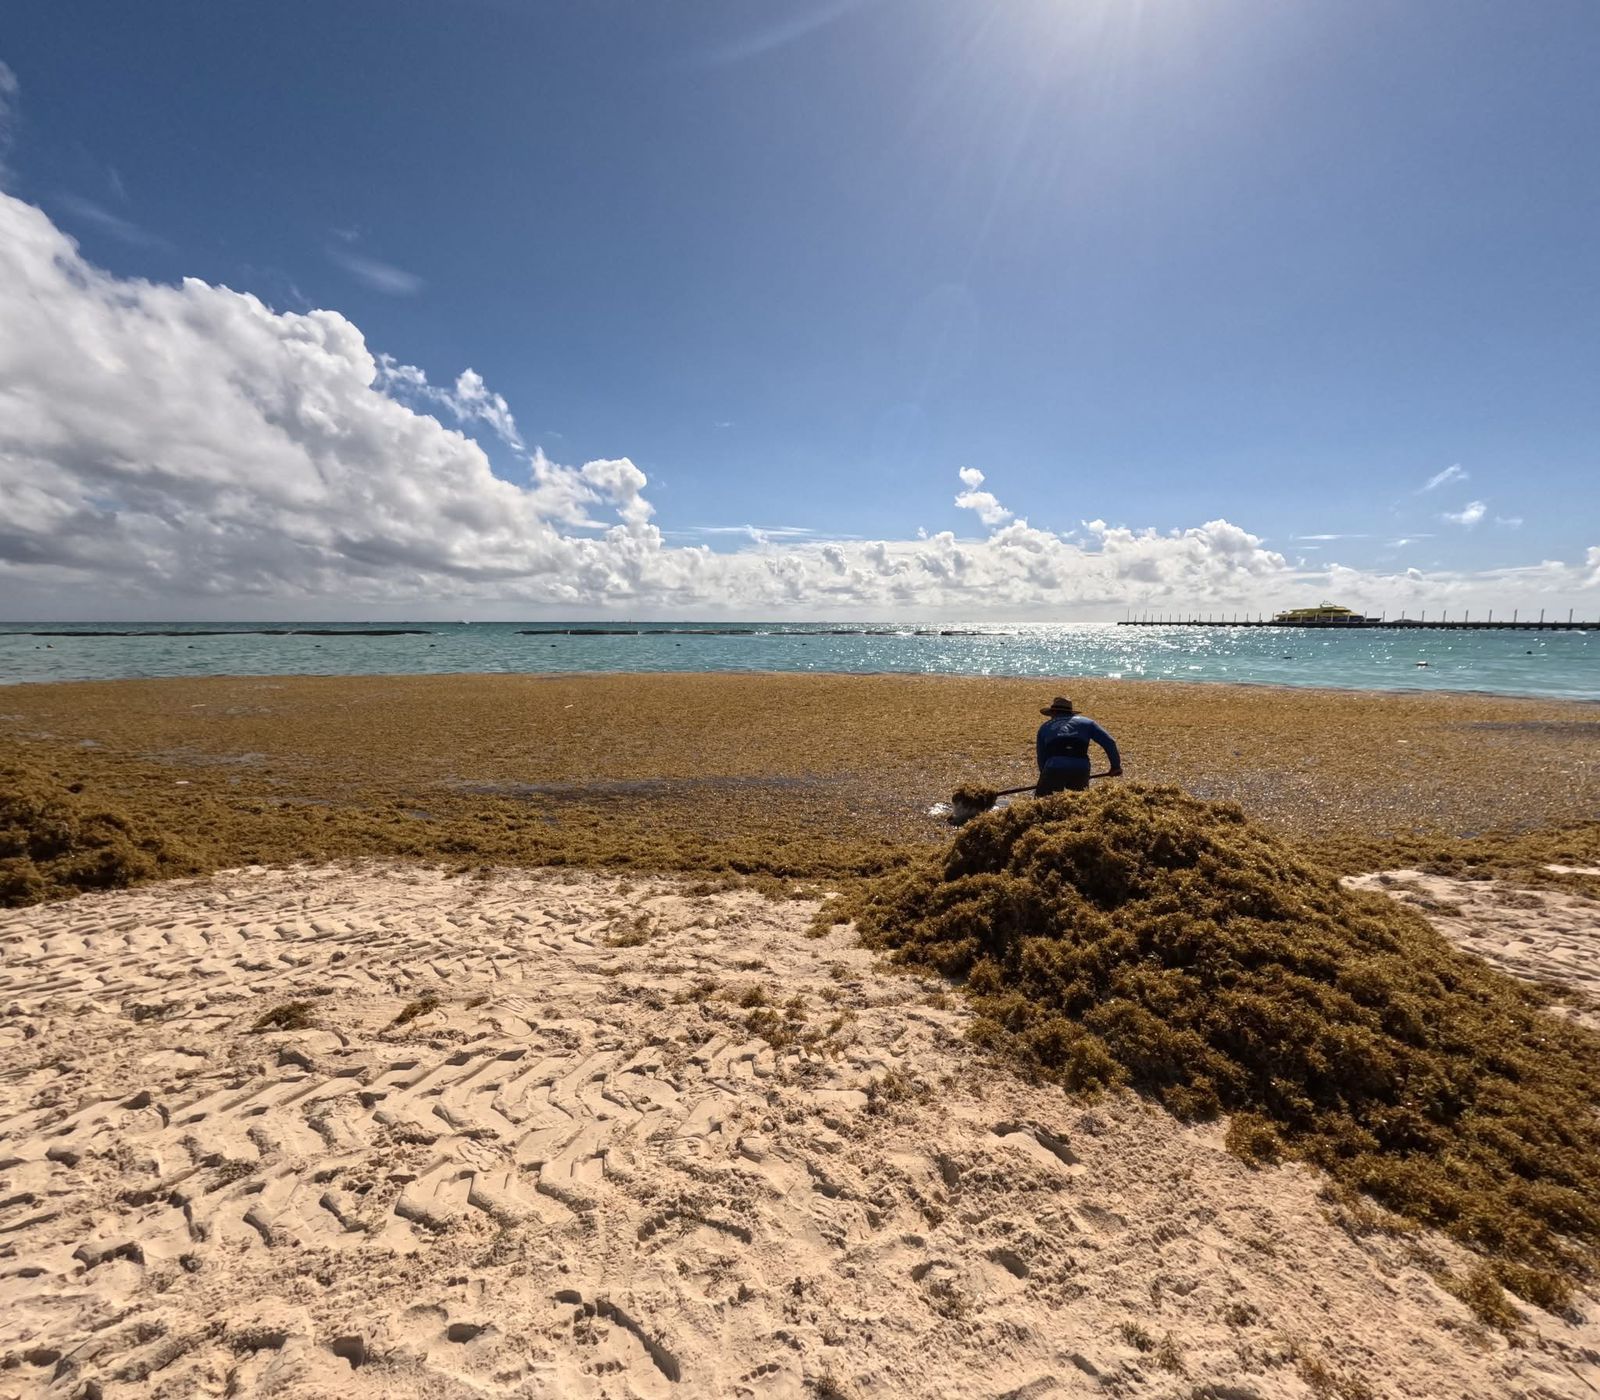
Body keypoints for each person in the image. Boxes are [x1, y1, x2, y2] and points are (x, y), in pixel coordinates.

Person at [1035, 697, 1121, 796]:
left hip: (1054, 766)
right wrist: (1115, 766)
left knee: (1042, 802)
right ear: (1071, 712)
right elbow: (1109, 742)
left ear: (1053, 712)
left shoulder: (1044, 727)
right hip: (1081, 767)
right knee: (1079, 803)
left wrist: (1044, 777)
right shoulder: (1087, 723)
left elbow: (1041, 756)